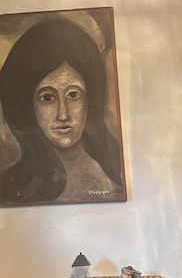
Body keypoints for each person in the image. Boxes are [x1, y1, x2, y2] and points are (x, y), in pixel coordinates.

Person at [0, 18, 124, 205]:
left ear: (89, 99)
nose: (63, 114)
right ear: (28, 107)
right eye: (47, 98)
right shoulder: (14, 185)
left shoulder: (116, 171)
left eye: (73, 95)